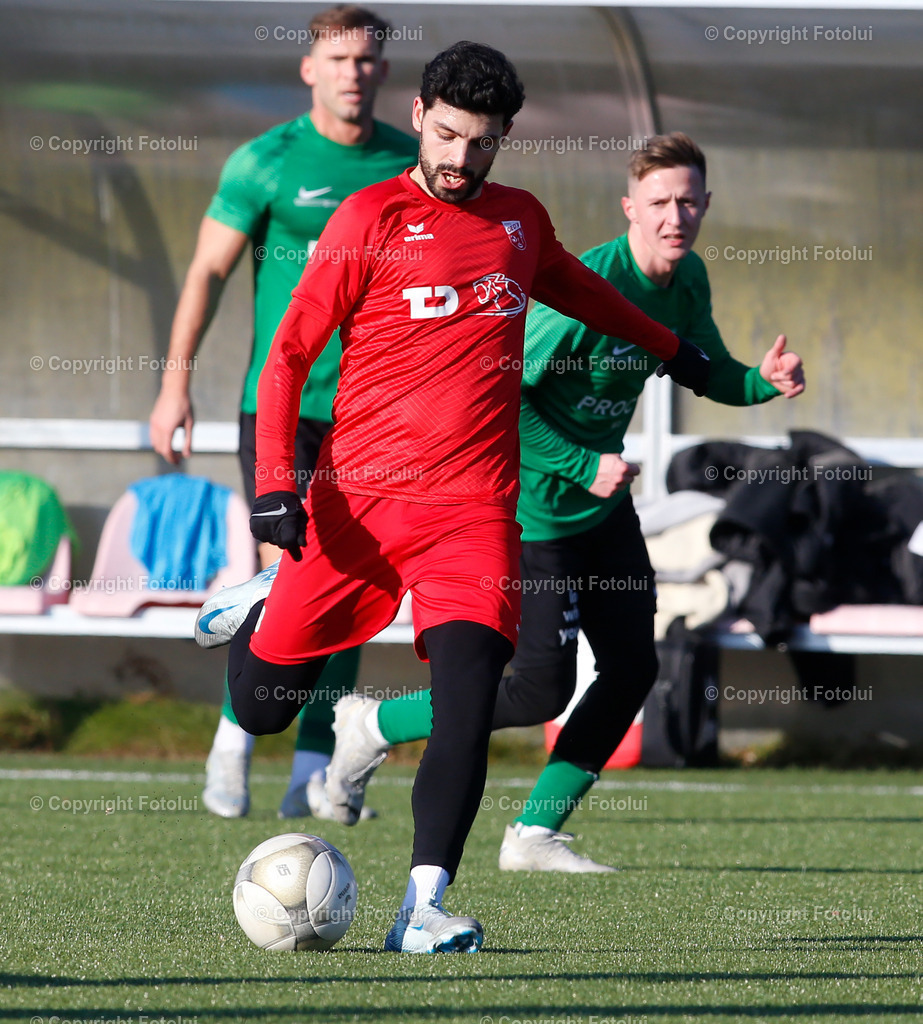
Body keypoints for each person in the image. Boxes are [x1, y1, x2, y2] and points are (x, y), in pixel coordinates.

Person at [194, 43, 709, 953]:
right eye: (444, 135)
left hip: (471, 516)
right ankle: (266, 602)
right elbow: (285, 358)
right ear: (422, 112)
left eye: (480, 143)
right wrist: (278, 486)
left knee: (471, 695)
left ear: (505, 136)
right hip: (358, 507)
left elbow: (584, 291)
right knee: (269, 704)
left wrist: (678, 351)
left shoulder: (518, 222)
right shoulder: (369, 217)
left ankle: (421, 907)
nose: (459, 160)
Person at [325, 131, 805, 872]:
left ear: (705, 205)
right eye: (658, 203)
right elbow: (495, 397)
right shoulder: (587, 287)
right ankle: (375, 723)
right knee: (536, 690)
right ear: (629, 209)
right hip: (529, 513)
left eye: (687, 201)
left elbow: (700, 367)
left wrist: (758, 383)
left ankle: (535, 833)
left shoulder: (685, 281)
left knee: (632, 668)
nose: (674, 217)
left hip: (599, 509)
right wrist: (581, 462)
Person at [148, 5, 418, 820]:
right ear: (309, 69)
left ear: (382, 72)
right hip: (282, 410)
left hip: (373, 418)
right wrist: (173, 384)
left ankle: (310, 774)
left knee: (359, 587)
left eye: (368, 60)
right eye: (338, 58)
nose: (353, 72)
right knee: (294, 580)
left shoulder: (410, 165)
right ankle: (233, 743)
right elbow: (205, 273)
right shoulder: (264, 162)